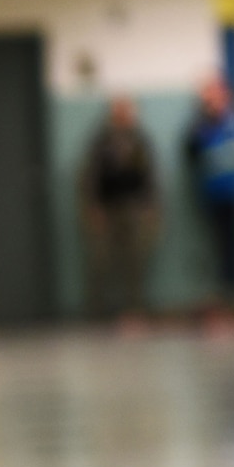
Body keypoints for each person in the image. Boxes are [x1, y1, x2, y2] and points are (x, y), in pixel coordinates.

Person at [80, 95, 159, 321]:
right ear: (112, 113)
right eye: (119, 109)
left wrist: (151, 206)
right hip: (107, 207)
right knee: (100, 259)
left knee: (135, 259)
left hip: (134, 206)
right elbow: (90, 176)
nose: (123, 114)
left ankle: (135, 308)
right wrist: (92, 207)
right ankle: (96, 311)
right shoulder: (101, 140)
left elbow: (150, 176)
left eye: (127, 109)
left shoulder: (140, 140)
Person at [185, 75, 234, 311]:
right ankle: (228, 298)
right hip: (216, 198)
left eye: (217, 94)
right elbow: (190, 153)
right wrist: (205, 115)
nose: (214, 100)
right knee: (223, 249)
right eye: (208, 96)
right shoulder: (200, 127)